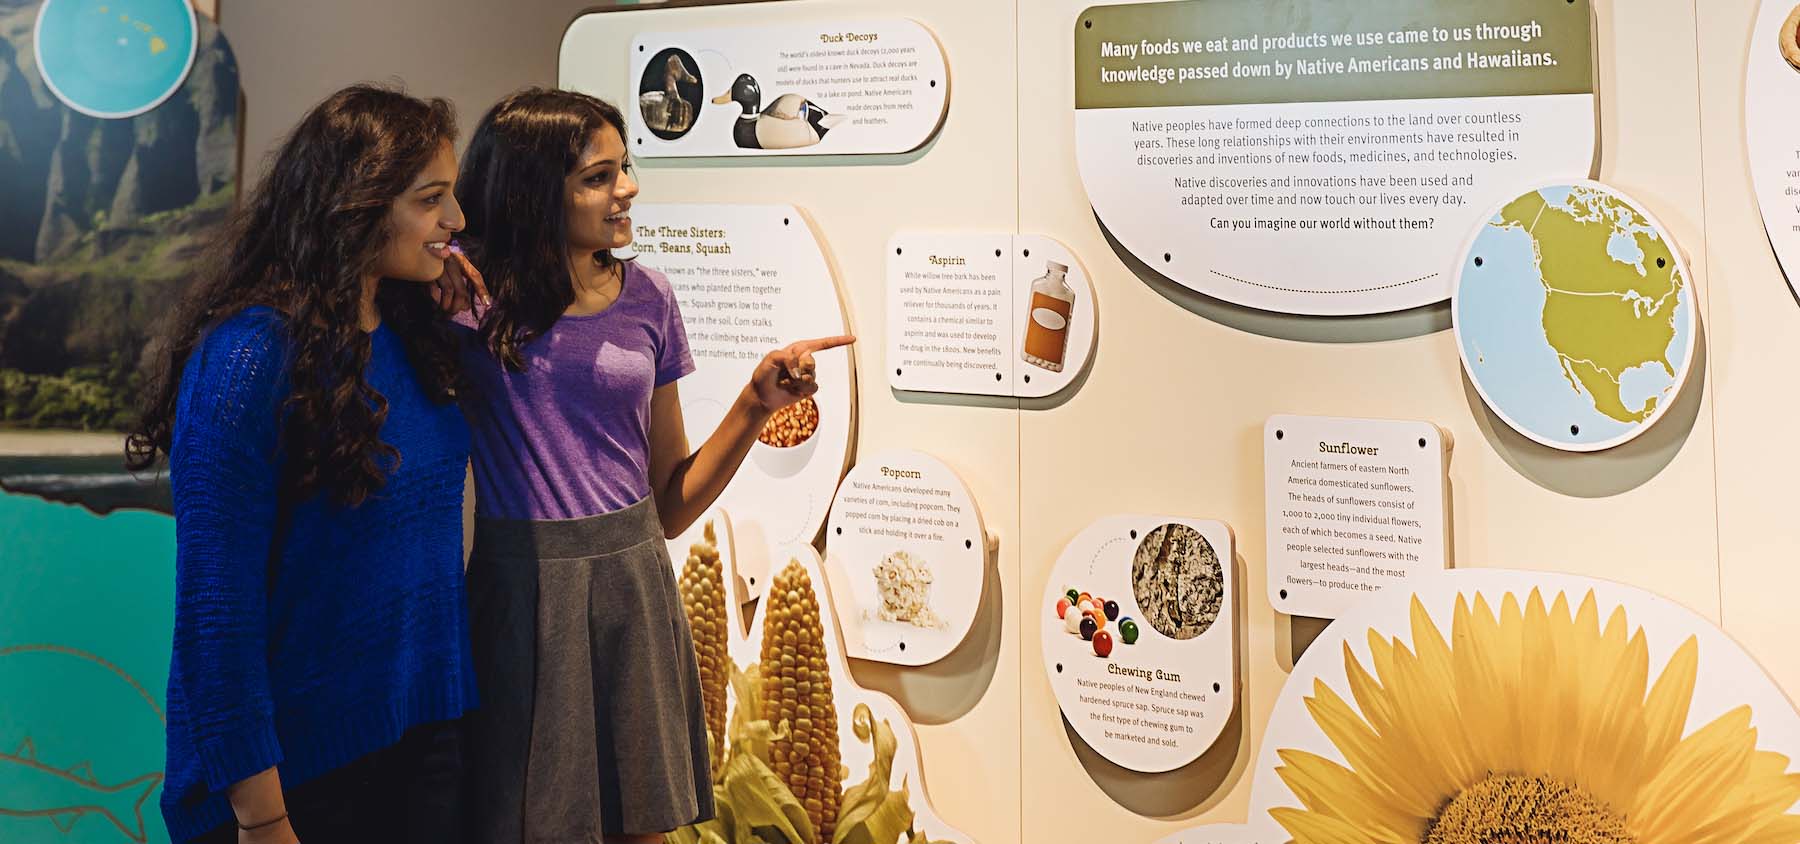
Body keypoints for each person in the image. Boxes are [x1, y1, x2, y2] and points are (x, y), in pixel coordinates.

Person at [452, 87, 852, 843]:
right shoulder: (472, 307)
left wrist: (756, 403)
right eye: (598, 176)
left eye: (624, 167)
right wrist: (445, 262)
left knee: (647, 829)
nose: (627, 187)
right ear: (536, 193)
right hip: (523, 595)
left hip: (635, 587)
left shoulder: (650, 297)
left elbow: (669, 502)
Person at [128, 84, 483, 844]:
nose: (455, 222)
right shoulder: (249, 357)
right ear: (357, 205)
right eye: (432, 200)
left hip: (421, 746)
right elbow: (216, 616)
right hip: (289, 778)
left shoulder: (411, 331)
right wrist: (262, 819)